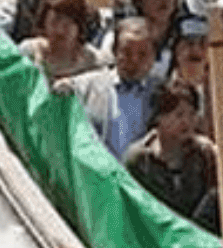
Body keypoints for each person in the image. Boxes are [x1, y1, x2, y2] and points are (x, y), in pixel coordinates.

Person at [61, 16, 162, 159]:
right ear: (115, 51)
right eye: (127, 52)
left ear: (154, 56)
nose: (134, 60)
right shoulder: (86, 87)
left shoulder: (162, 93)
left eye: (142, 54)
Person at [123, 82, 218, 219]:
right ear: (159, 117)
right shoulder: (139, 158)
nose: (187, 122)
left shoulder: (205, 152)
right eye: (179, 115)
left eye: (192, 114)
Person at [17, 0, 105, 82]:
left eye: (68, 24)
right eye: (55, 21)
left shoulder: (92, 62)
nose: (60, 31)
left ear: (79, 27)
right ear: (45, 22)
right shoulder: (29, 51)